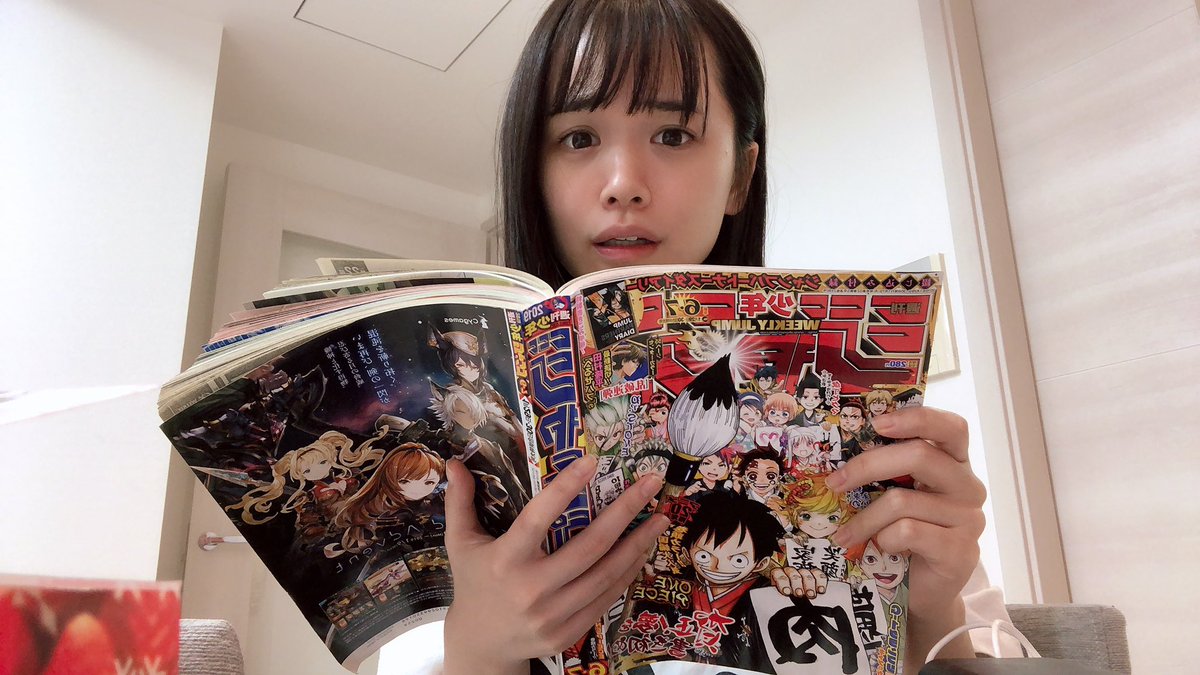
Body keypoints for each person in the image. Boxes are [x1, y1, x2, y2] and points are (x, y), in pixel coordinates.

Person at [441, 1, 989, 673]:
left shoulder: (879, 449)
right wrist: (476, 648)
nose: (623, 185)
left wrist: (933, 612)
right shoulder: (470, 463)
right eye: (579, 138)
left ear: (740, 175)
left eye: (673, 134)